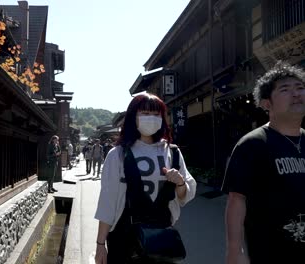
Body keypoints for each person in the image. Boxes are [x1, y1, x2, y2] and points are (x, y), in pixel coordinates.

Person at [94, 93, 197, 264]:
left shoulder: (171, 152)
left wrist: (180, 182)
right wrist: (100, 243)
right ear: (133, 117)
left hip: (161, 235)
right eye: (145, 113)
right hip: (124, 235)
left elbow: (184, 195)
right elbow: (107, 201)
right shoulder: (118, 154)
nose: (151, 118)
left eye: (156, 115)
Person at [222, 61, 305, 264]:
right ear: (267, 104)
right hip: (270, 252)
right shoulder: (252, 144)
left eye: (300, 88)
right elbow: (236, 200)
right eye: (285, 89)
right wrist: (236, 250)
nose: (296, 94)